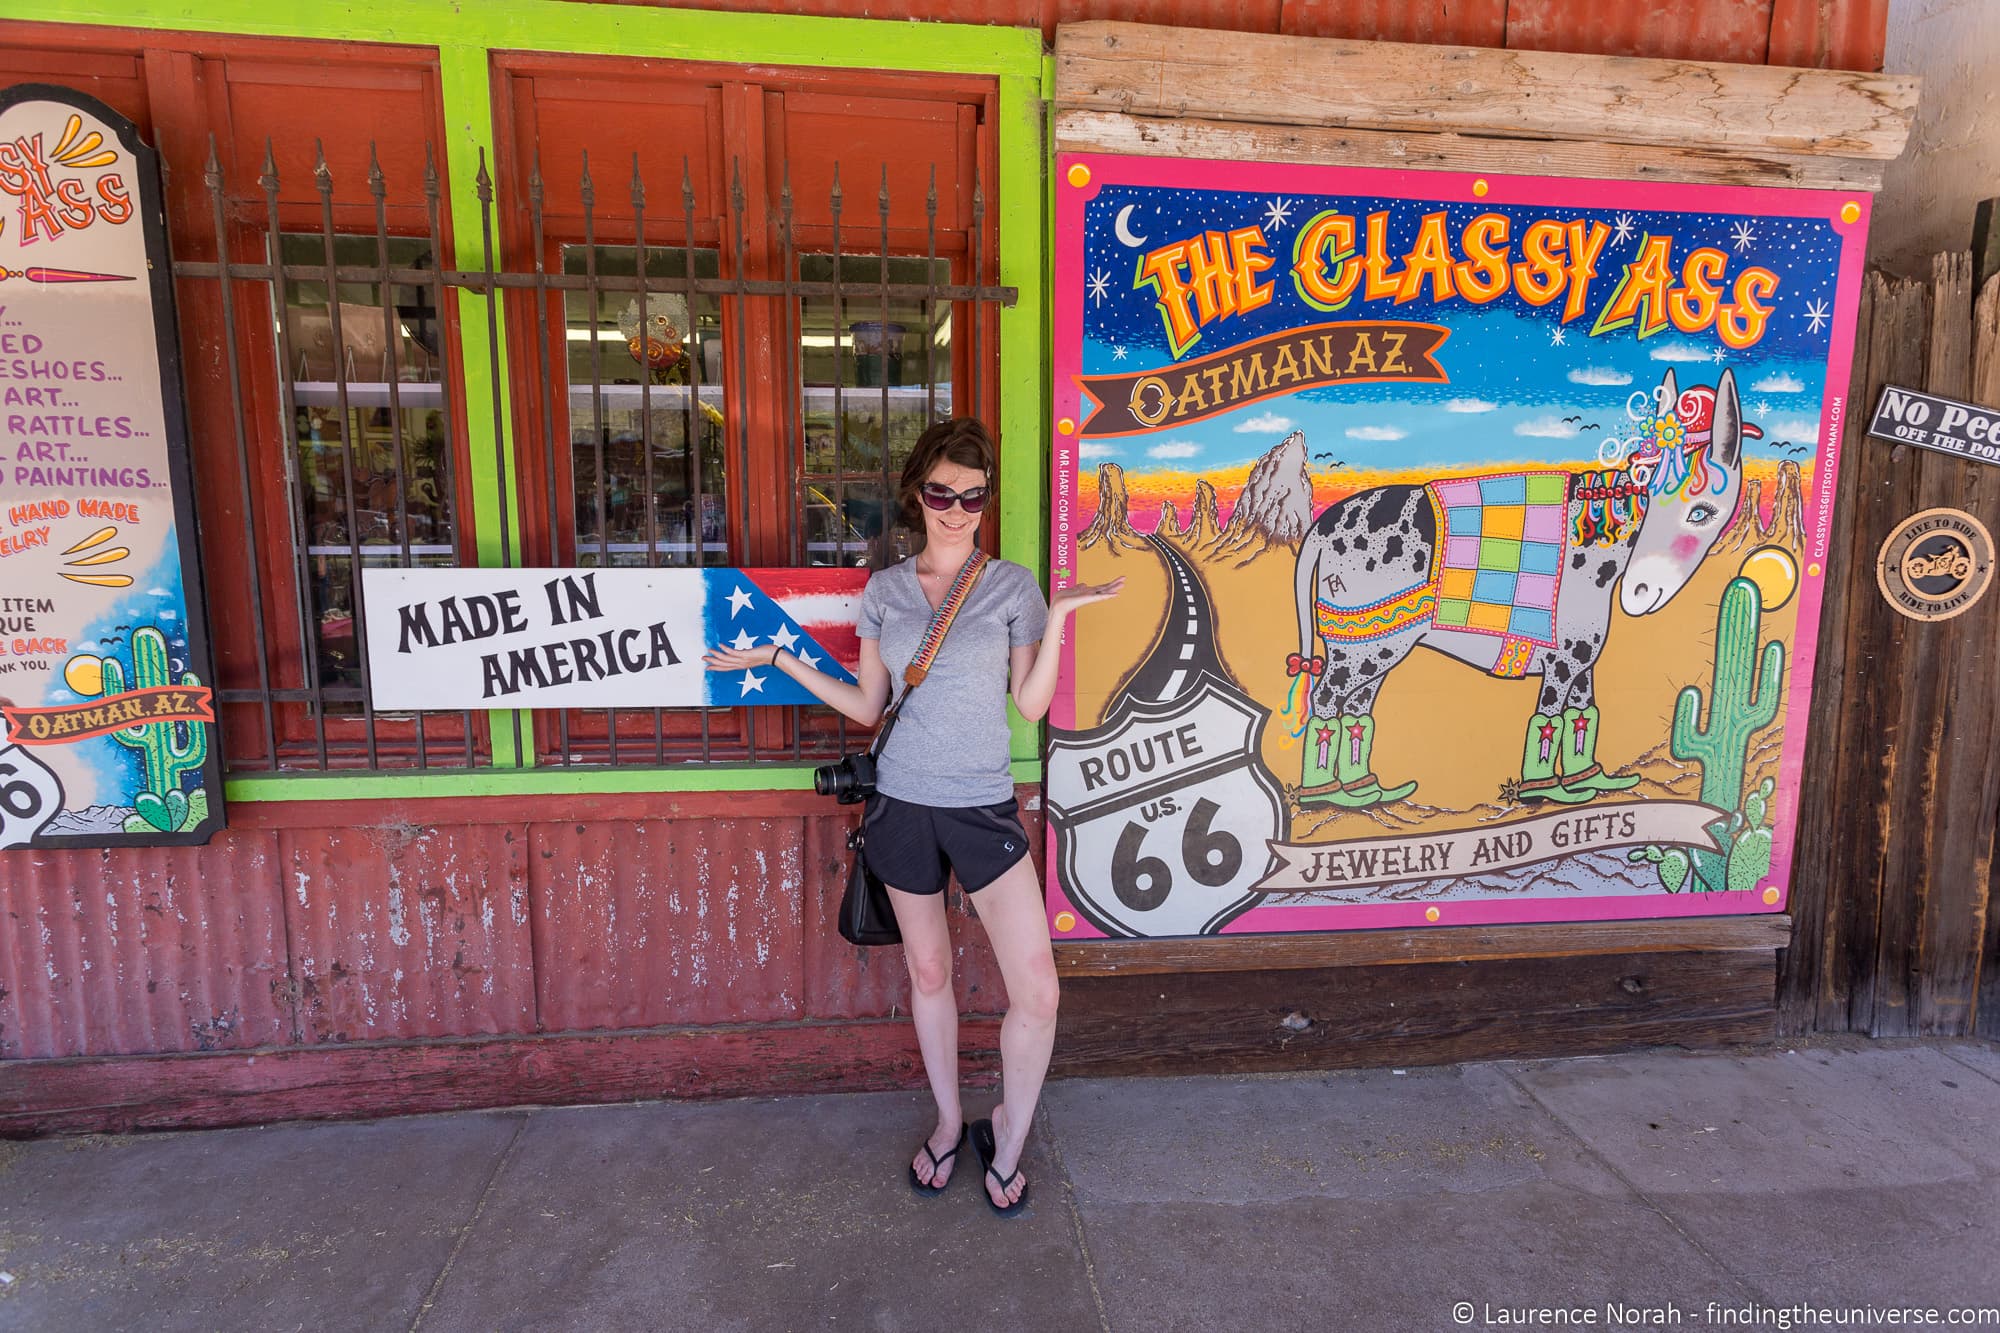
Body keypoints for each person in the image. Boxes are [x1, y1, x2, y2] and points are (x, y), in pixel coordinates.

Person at [703, 418, 1120, 1215]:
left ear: (986, 500)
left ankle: (1009, 1128)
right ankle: (947, 1119)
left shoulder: (1013, 587)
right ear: (916, 493)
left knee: (1037, 989)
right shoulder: (885, 591)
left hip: (982, 806)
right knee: (927, 972)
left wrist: (1060, 615)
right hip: (901, 804)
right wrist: (780, 658)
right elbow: (869, 707)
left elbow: (1030, 705)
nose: (957, 508)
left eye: (973, 495)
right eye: (941, 492)